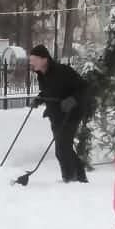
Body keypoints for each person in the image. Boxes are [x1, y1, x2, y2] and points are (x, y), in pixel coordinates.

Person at [28, 44, 88, 183]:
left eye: (34, 59)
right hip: (56, 115)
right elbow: (50, 91)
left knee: (62, 148)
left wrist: (73, 99)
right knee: (63, 147)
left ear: (44, 59)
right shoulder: (41, 75)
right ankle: (79, 178)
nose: (31, 62)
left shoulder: (63, 71)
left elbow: (84, 87)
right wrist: (39, 99)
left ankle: (70, 178)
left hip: (71, 113)